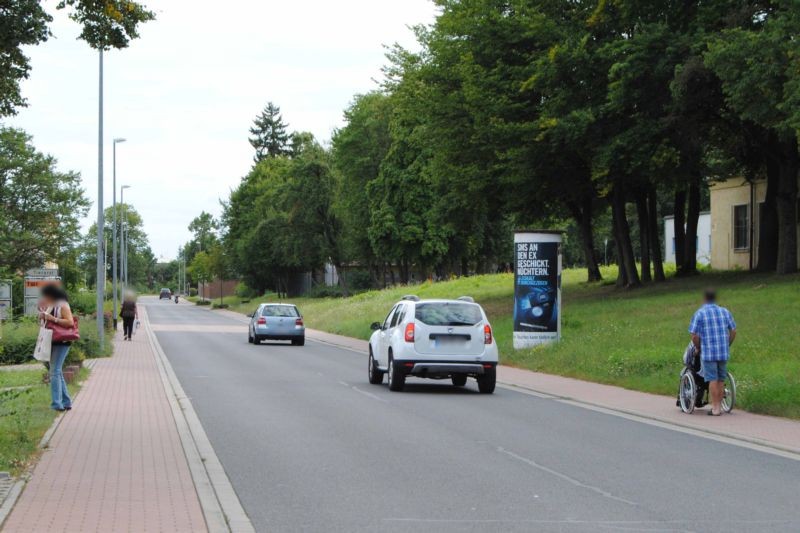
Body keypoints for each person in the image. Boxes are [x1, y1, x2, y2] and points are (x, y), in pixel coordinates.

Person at [689, 288, 736, 416]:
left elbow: (693, 335)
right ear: (715, 298)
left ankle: (715, 408)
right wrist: (728, 344)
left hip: (708, 352)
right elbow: (733, 331)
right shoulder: (725, 312)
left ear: (704, 299)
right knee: (721, 379)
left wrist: (698, 347)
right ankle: (719, 406)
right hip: (723, 351)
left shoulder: (699, 313)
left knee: (712, 379)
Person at [38, 284, 74, 412]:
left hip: (62, 340)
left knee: (55, 371)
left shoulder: (62, 305)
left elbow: (70, 322)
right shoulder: (48, 306)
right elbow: (43, 322)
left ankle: (56, 404)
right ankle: (66, 401)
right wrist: (42, 313)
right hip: (50, 340)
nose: (44, 297)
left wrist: (52, 318)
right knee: (56, 371)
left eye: (46, 295)